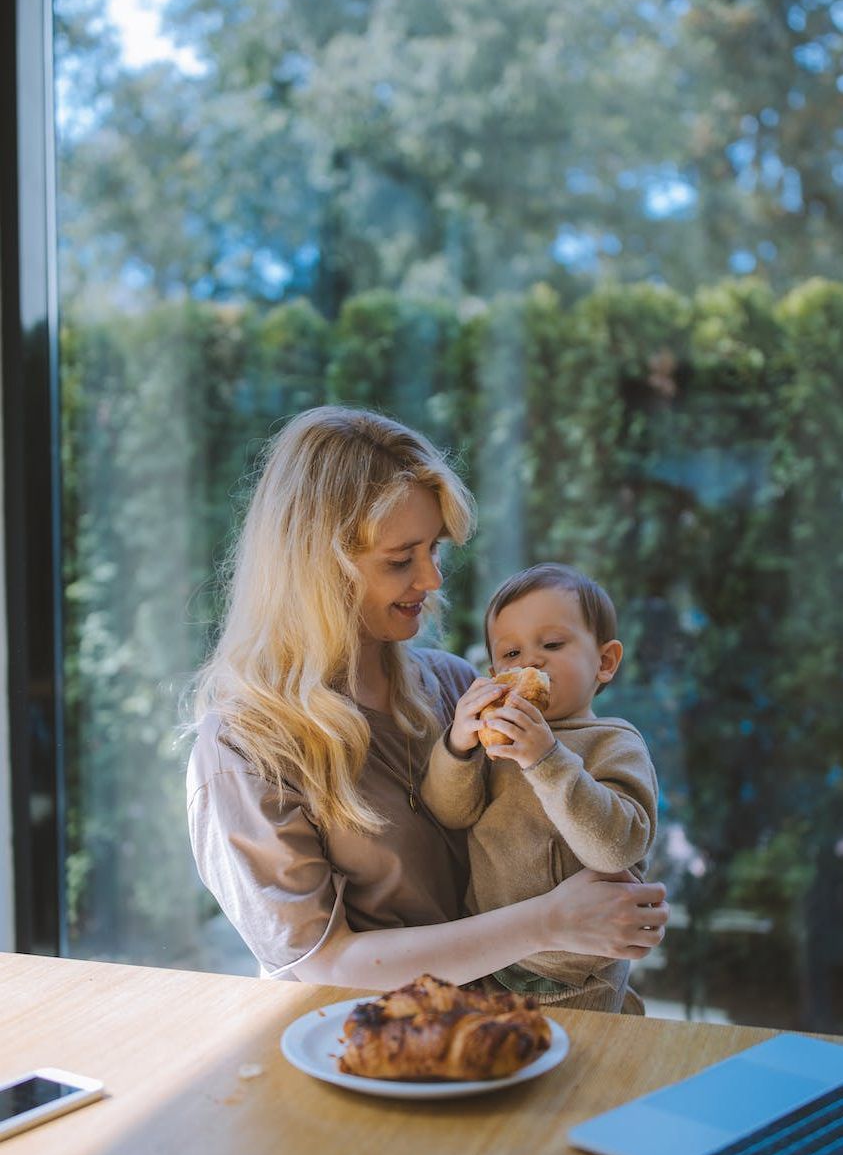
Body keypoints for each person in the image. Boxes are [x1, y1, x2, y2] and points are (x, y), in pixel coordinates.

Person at [186, 407, 668, 992]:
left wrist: (608, 910)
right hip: (375, 1052)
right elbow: (320, 963)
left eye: (434, 549)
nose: (434, 579)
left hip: (520, 1034)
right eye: (400, 560)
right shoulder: (244, 747)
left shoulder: (453, 684)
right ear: (316, 570)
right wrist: (549, 924)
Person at [420, 564, 658, 1011]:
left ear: (604, 662)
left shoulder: (614, 742)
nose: (530, 661)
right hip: (488, 960)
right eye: (510, 654)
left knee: (578, 1073)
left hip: (579, 973)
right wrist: (457, 746)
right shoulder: (496, 742)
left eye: (552, 644)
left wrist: (545, 760)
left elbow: (616, 849)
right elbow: (450, 813)